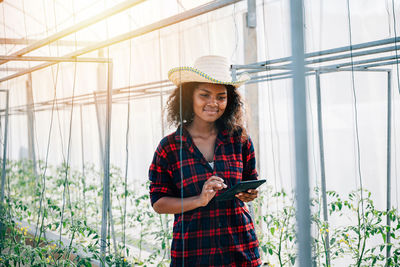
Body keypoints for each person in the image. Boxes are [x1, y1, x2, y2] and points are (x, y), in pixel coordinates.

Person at [149, 55, 261, 266]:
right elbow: (159, 202)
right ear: (189, 97)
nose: (213, 103)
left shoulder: (239, 139)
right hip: (193, 253)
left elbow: (250, 180)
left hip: (240, 249)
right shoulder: (170, 147)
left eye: (221, 97)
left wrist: (249, 193)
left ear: (229, 101)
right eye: (204, 95)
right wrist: (199, 200)